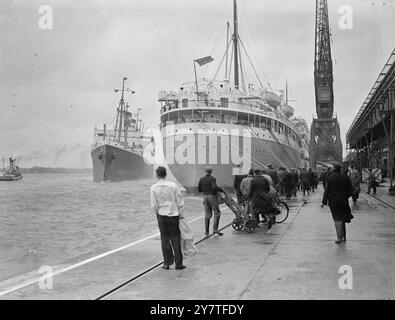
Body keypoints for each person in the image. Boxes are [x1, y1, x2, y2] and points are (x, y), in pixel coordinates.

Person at [150, 166, 186, 270]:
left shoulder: (153, 188)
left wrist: (157, 214)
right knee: (176, 239)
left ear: (157, 175)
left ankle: (167, 263)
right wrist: (181, 214)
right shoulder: (173, 185)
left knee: (164, 239)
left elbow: (153, 205)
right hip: (174, 215)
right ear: (166, 174)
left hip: (162, 215)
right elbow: (180, 201)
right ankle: (179, 264)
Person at [322, 162, 354, 244]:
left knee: (337, 219)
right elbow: (350, 191)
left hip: (333, 201)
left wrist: (324, 201)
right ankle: (344, 237)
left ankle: (339, 238)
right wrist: (344, 197)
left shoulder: (330, 177)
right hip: (343, 201)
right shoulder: (345, 177)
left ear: (333, 168)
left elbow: (327, 190)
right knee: (343, 218)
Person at [198, 167, 224, 236]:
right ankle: (215, 229)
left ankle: (206, 232)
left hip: (205, 197)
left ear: (205, 171)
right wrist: (221, 189)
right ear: (211, 172)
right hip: (212, 197)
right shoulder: (212, 179)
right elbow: (214, 187)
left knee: (207, 214)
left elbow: (199, 190)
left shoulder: (201, 179)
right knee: (217, 213)